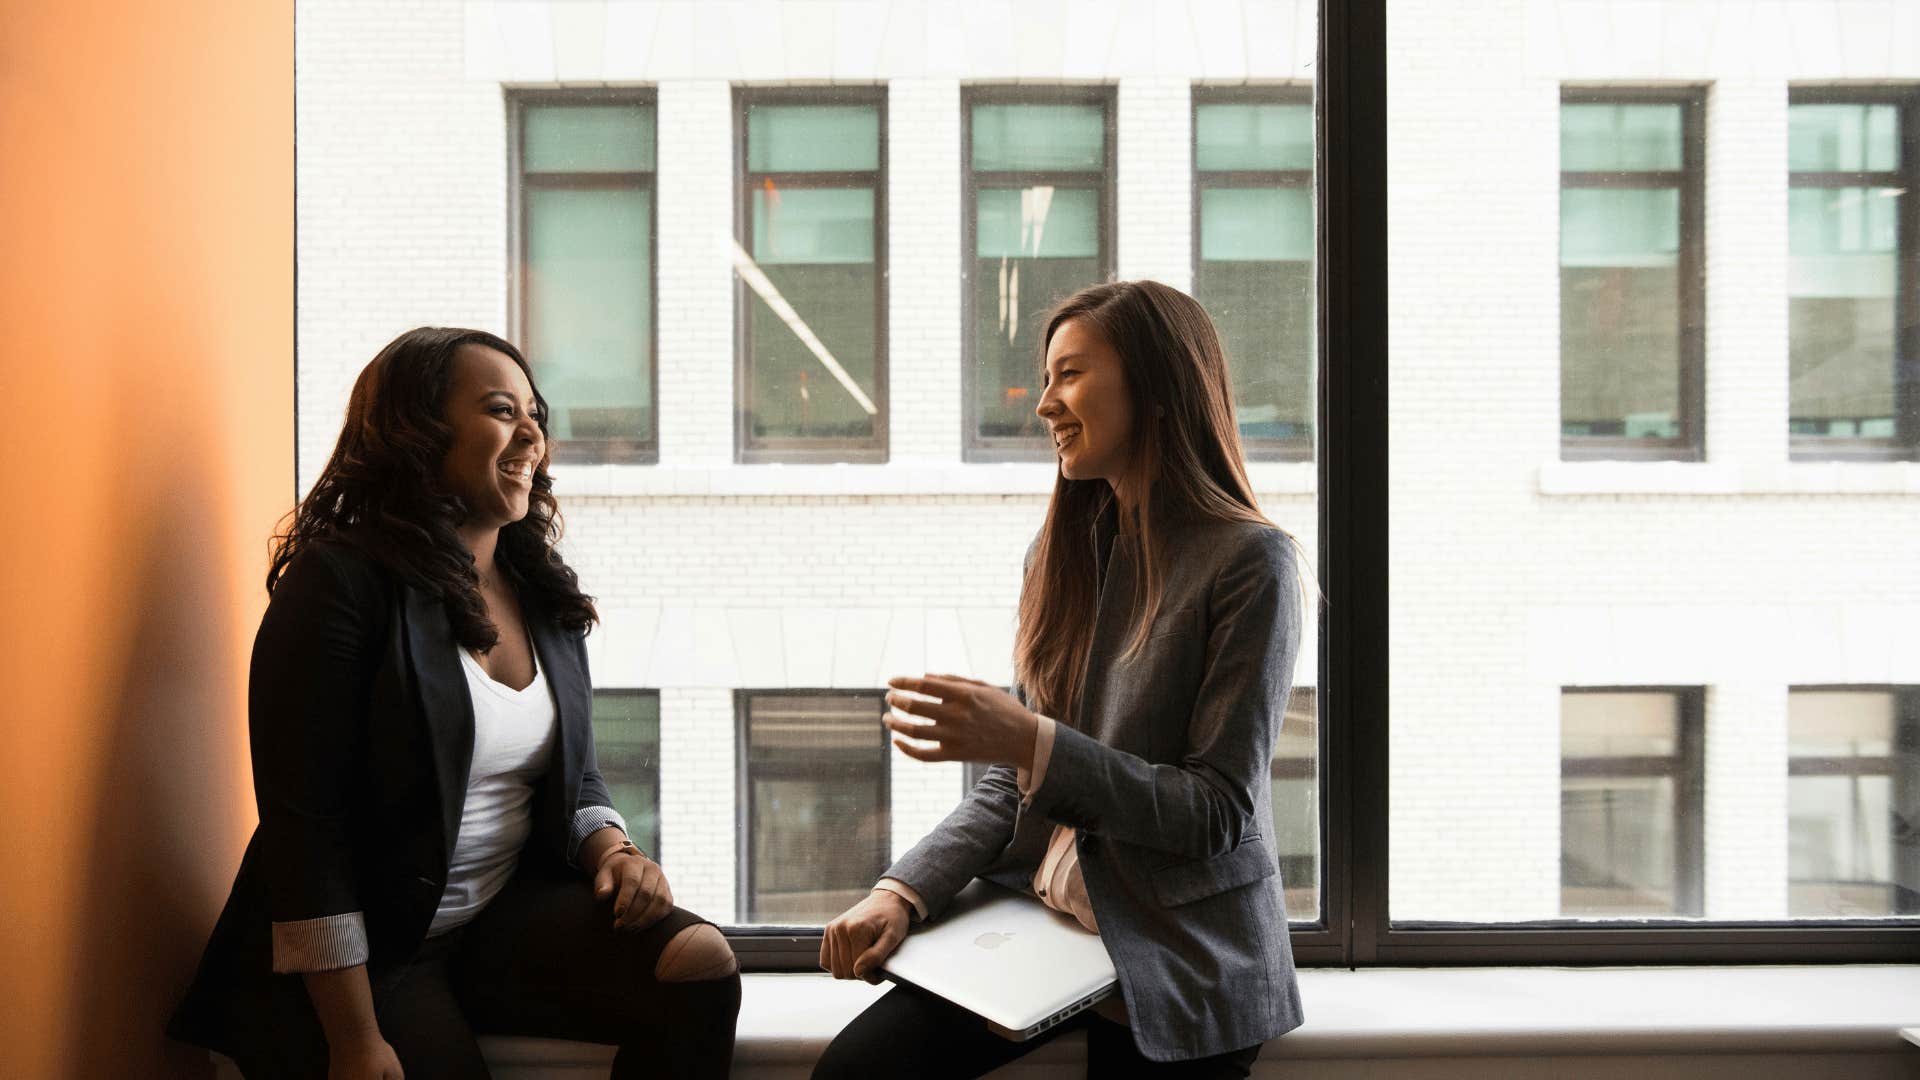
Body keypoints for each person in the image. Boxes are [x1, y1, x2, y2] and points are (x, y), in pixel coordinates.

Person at [169, 328, 740, 1079]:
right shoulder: (338, 585)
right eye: (503, 410)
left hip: (492, 919)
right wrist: (353, 1039)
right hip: (365, 959)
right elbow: (306, 836)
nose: (533, 432)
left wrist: (615, 849)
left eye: (536, 412)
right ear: (417, 432)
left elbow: (572, 775)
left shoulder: (538, 588)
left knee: (700, 963)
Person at [814, 281, 1307, 1078]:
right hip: (1046, 930)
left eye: (1069, 375)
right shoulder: (1064, 556)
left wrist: (1031, 739)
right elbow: (1013, 786)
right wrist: (900, 892)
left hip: (1179, 951)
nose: (1044, 405)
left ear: (1155, 387)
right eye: (1046, 380)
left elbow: (1215, 811)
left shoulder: (1253, 563)